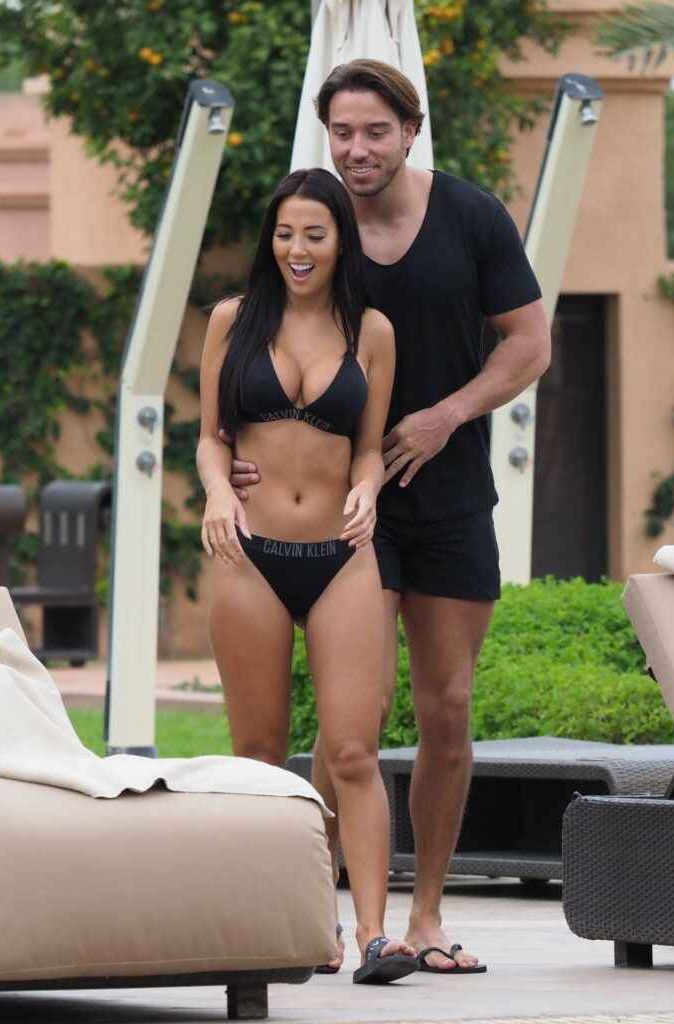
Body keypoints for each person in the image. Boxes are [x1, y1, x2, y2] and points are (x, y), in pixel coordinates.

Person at [230, 60, 551, 975]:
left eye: (375, 131)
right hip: (347, 513)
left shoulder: (472, 217)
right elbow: (261, 339)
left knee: (447, 708)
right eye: (342, 131)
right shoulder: (314, 225)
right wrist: (247, 449)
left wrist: (448, 414)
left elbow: (530, 343)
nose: (358, 148)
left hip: (448, 498)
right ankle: (322, 915)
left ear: (411, 131)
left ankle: (427, 917)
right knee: (353, 723)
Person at [197, 167, 419, 985]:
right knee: (259, 753)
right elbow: (211, 436)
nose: (297, 249)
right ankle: (287, 925)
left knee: (353, 750)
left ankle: (373, 937)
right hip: (247, 553)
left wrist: (368, 487)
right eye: (285, 233)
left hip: (342, 553)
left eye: (314, 235)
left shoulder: (372, 331)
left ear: (339, 243)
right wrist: (218, 491)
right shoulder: (233, 321)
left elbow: (368, 446)